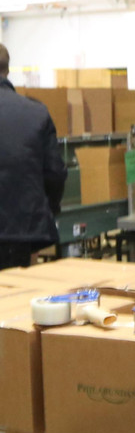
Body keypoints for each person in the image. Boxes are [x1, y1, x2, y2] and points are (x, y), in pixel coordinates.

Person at [0, 44, 67, 269]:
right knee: (20, 298)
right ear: (7, 71)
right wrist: (46, 211)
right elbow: (55, 173)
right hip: (25, 230)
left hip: (25, 226)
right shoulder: (36, 113)